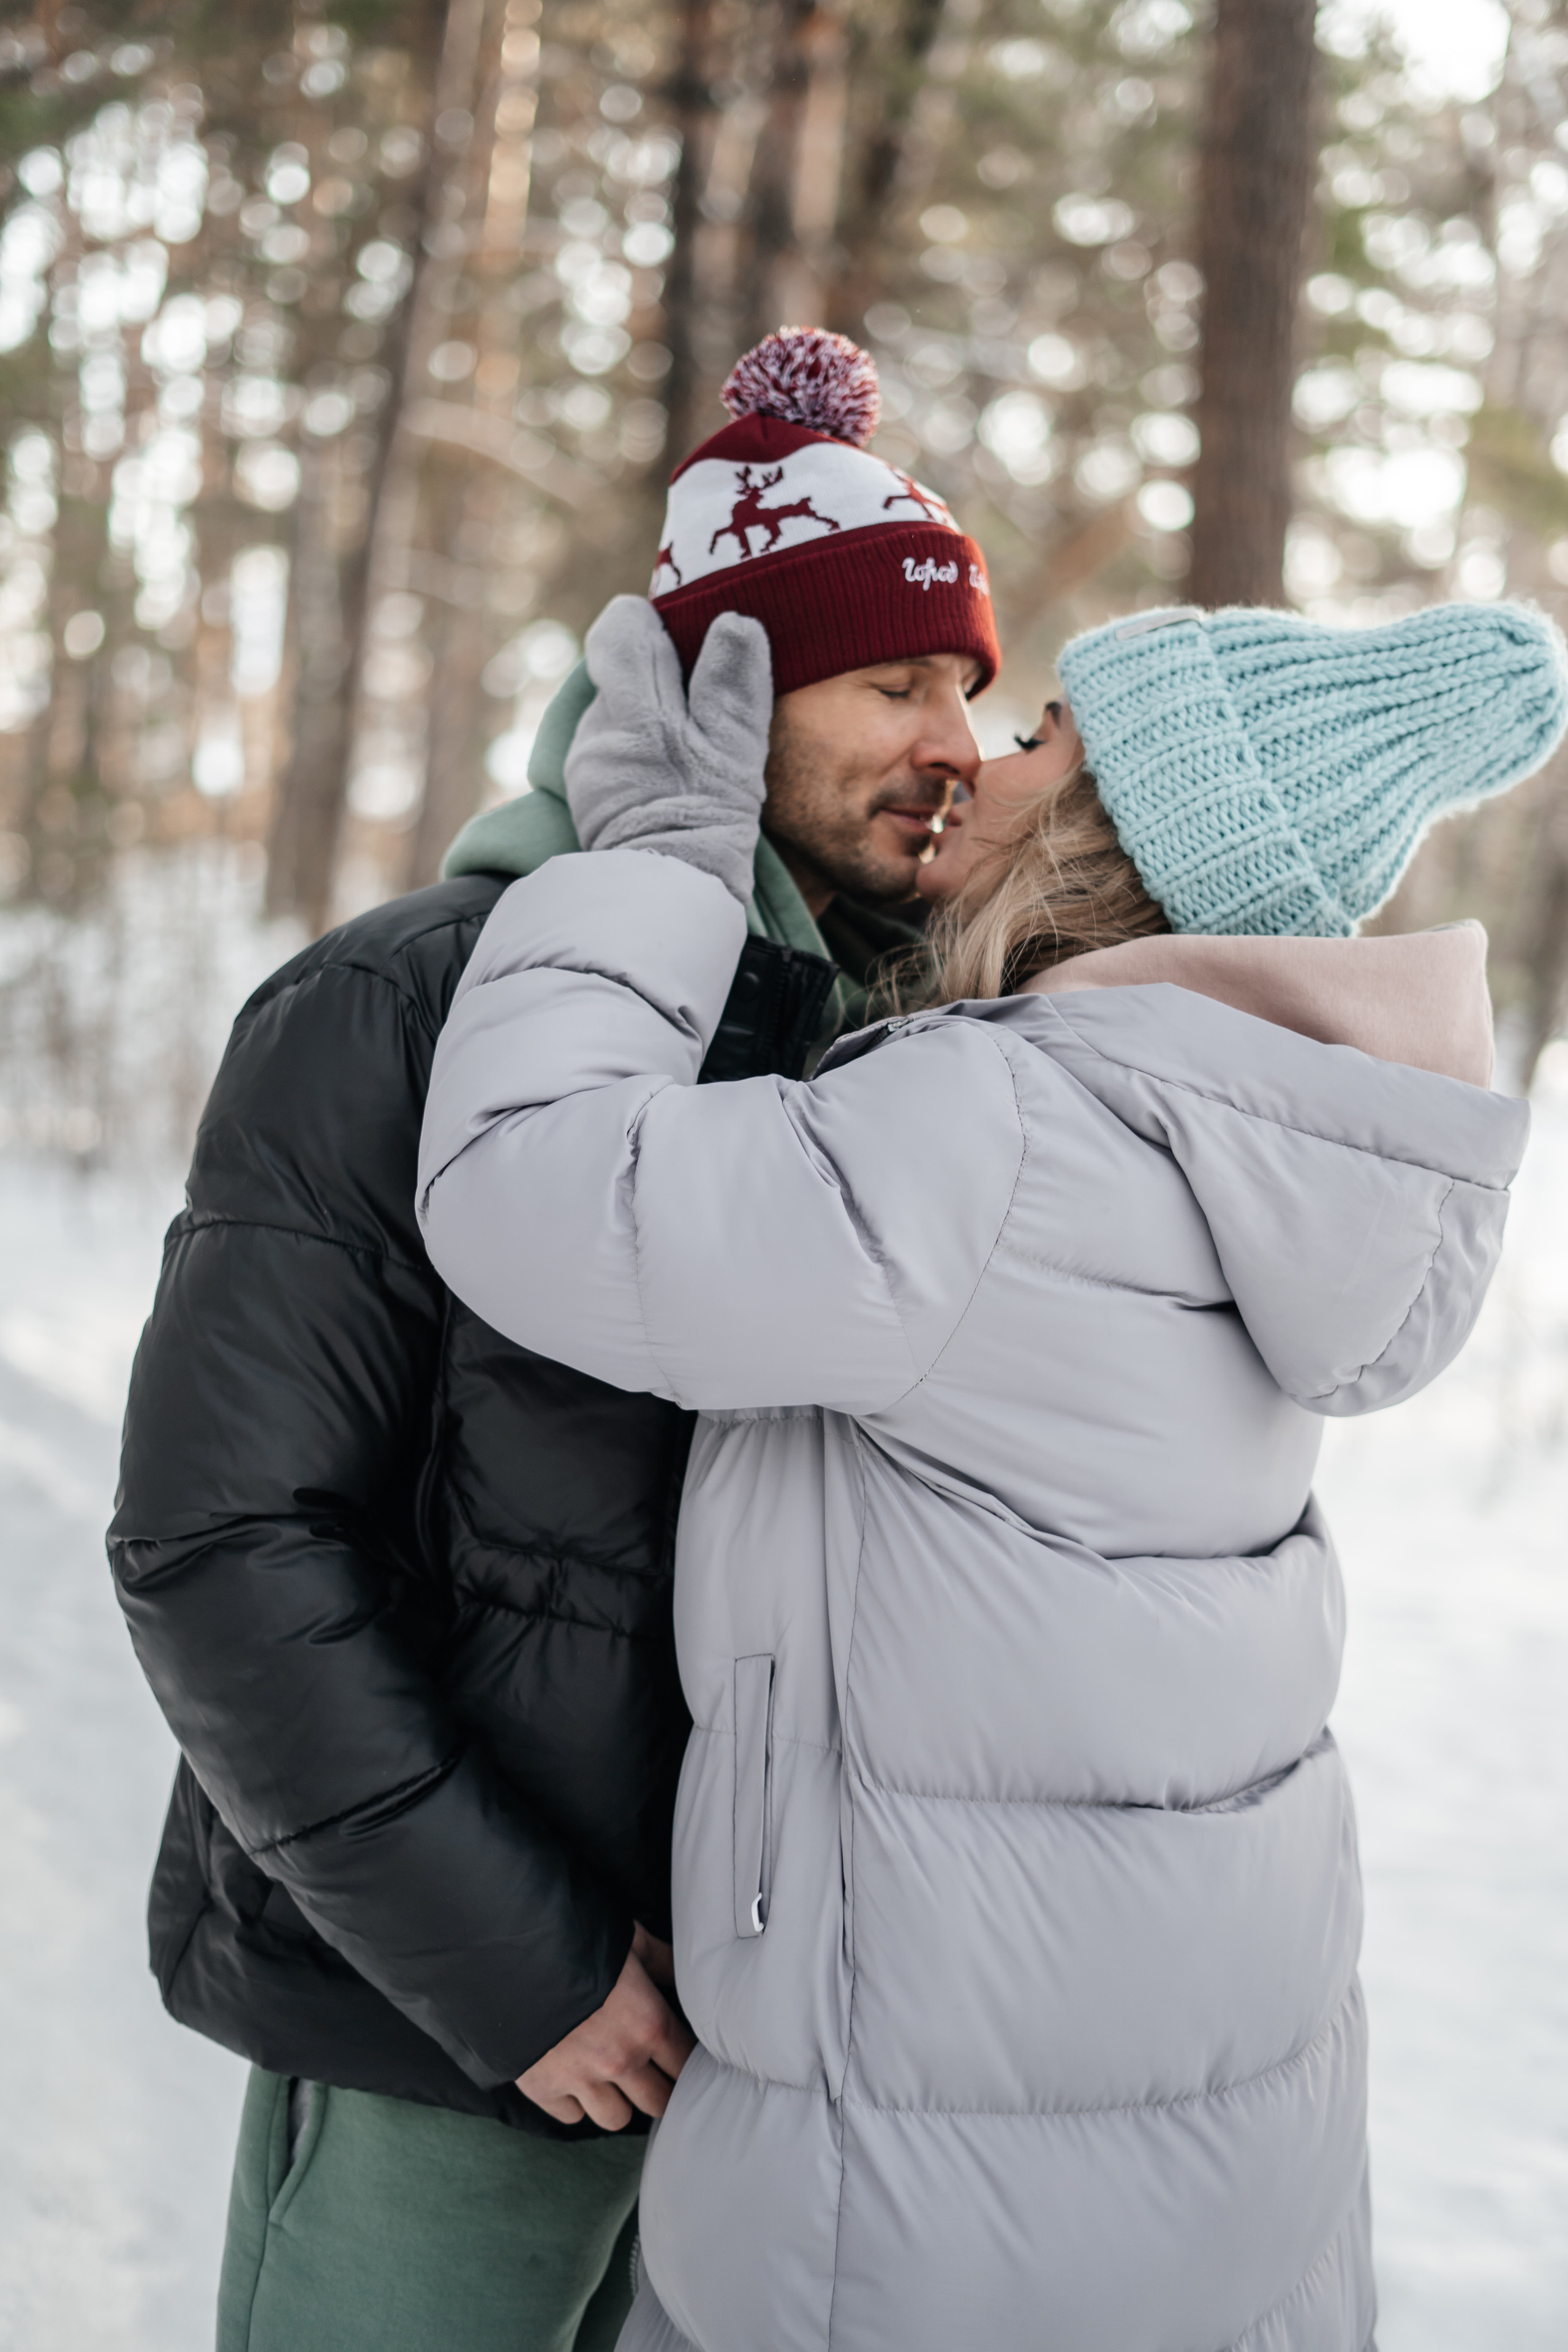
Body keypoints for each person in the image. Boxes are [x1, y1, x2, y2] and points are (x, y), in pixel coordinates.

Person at [416, 592, 1568, 2352]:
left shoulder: (1003, 1132)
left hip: (917, 2216)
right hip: (1216, 2168)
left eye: (1044, 743)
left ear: (1114, 839)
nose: (982, 761)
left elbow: (528, 1184)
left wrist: (648, 871)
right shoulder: (1258, 1137)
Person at [106, 331, 998, 2352]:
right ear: (728, 702)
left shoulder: (905, 1064)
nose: (953, 735)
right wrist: (524, 1970)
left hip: (781, 2067)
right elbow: (222, 1541)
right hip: (467, 2039)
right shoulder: (402, 1013)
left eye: (967, 681)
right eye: (890, 685)